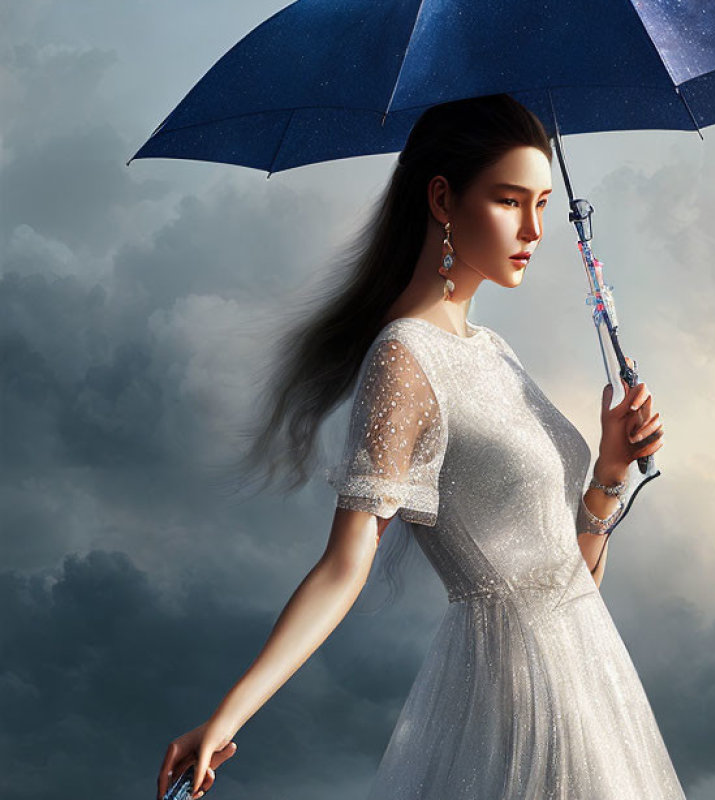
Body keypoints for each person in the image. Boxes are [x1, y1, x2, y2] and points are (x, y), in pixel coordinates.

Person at [156, 93, 685, 800]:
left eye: (543, 203)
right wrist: (229, 715)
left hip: (594, 691)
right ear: (443, 197)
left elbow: (568, 582)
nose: (533, 228)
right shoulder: (406, 357)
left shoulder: (493, 351)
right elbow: (345, 566)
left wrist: (609, 473)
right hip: (522, 707)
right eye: (508, 200)